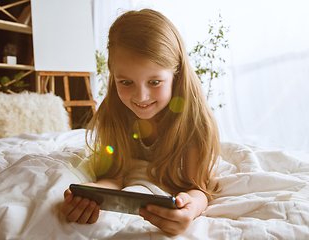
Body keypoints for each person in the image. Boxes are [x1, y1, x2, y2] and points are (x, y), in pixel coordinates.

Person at [61, 8, 220, 236]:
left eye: (154, 82)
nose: (141, 96)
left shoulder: (193, 121)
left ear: (175, 75)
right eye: (125, 82)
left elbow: (197, 189)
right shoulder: (115, 112)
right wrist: (92, 194)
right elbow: (113, 177)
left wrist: (190, 207)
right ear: (112, 75)